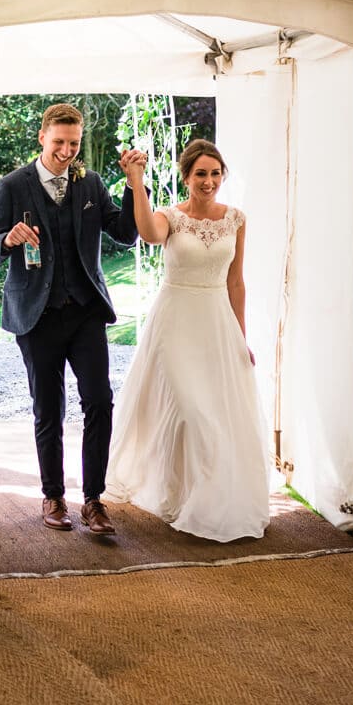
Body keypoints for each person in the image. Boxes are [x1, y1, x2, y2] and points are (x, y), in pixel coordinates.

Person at [0, 103, 143, 535]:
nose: (66, 152)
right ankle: (53, 496)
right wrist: (9, 239)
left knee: (99, 403)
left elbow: (125, 234)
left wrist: (132, 184)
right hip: (37, 315)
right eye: (58, 143)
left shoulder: (91, 185)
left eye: (73, 143)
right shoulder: (13, 186)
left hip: (86, 311)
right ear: (41, 138)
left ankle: (93, 501)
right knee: (48, 409)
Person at [105, 139, 271, 542]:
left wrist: (240, 338)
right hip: (175, 322)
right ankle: (178, 493)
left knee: (216, 415)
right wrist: (137, 181)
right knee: (189, 412)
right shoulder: (169, 217)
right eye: (201, 174)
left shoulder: (236, 219)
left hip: (216, 323)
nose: (209, 181)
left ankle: (210, 498)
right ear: (187, 177)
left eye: (215, 173)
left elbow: (236, 281)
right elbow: (146, 233)